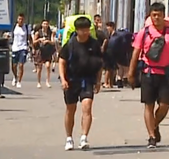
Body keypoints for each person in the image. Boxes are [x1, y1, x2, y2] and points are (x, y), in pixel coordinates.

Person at [128, 2, 169, 149]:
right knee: (149, 105)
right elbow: (136, 53)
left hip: (164, 74)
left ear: (164, 16)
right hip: (148, 73)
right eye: (153, 15)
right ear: (150, 16)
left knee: (165, 105)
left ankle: (154, 124)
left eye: (159, 15)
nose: (156, 18)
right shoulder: (144, 33)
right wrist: (131, 73)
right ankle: (152, 136)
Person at [59, 16, 104, 151]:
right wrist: (63, 79)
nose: (85, 32)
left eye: (87, 29)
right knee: (70, 109)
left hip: (87, 80)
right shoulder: (70, 44)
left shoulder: (94, 44)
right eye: (82, 30)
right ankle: (69, 138)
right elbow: (62, 61)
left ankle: (84, 137)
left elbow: (99, 63)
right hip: (72, 80)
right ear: (77, 30)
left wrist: (98, 81)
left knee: (87, 106)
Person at [33, 19, 56, 88]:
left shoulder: (50, 33)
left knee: (48, 66)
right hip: (40, 51)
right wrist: (39, 40)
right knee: (39, 68)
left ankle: (47, 81)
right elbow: (34, 42)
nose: (45, 25)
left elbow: (53, 42)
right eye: (44, 24)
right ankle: (39, 82)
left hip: (47, 51)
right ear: (42, 25)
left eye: (46, 24)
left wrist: (48, 41)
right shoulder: (38, 33)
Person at [10, 13, 30, 88]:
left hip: (23, 48)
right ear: (17, 19)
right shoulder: (14, 27)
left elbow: (29, 37)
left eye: (22, 19)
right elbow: (10, 35)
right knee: (14, 65)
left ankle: (19, 81)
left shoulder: (26, 27)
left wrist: (31, 47)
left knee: (21, 65)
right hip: (15, 48)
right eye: (19, 19)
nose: (20, 21)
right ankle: (15, 77)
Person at [103, 21, 117, 88]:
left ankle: (110, 83)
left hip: (112, 53)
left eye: (108, 26)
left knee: (111, 69)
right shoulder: (107, 34)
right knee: (108, 68)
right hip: (108, 53)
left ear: (112, 27)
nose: (107, 28)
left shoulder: (114, 34)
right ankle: (107, 83)